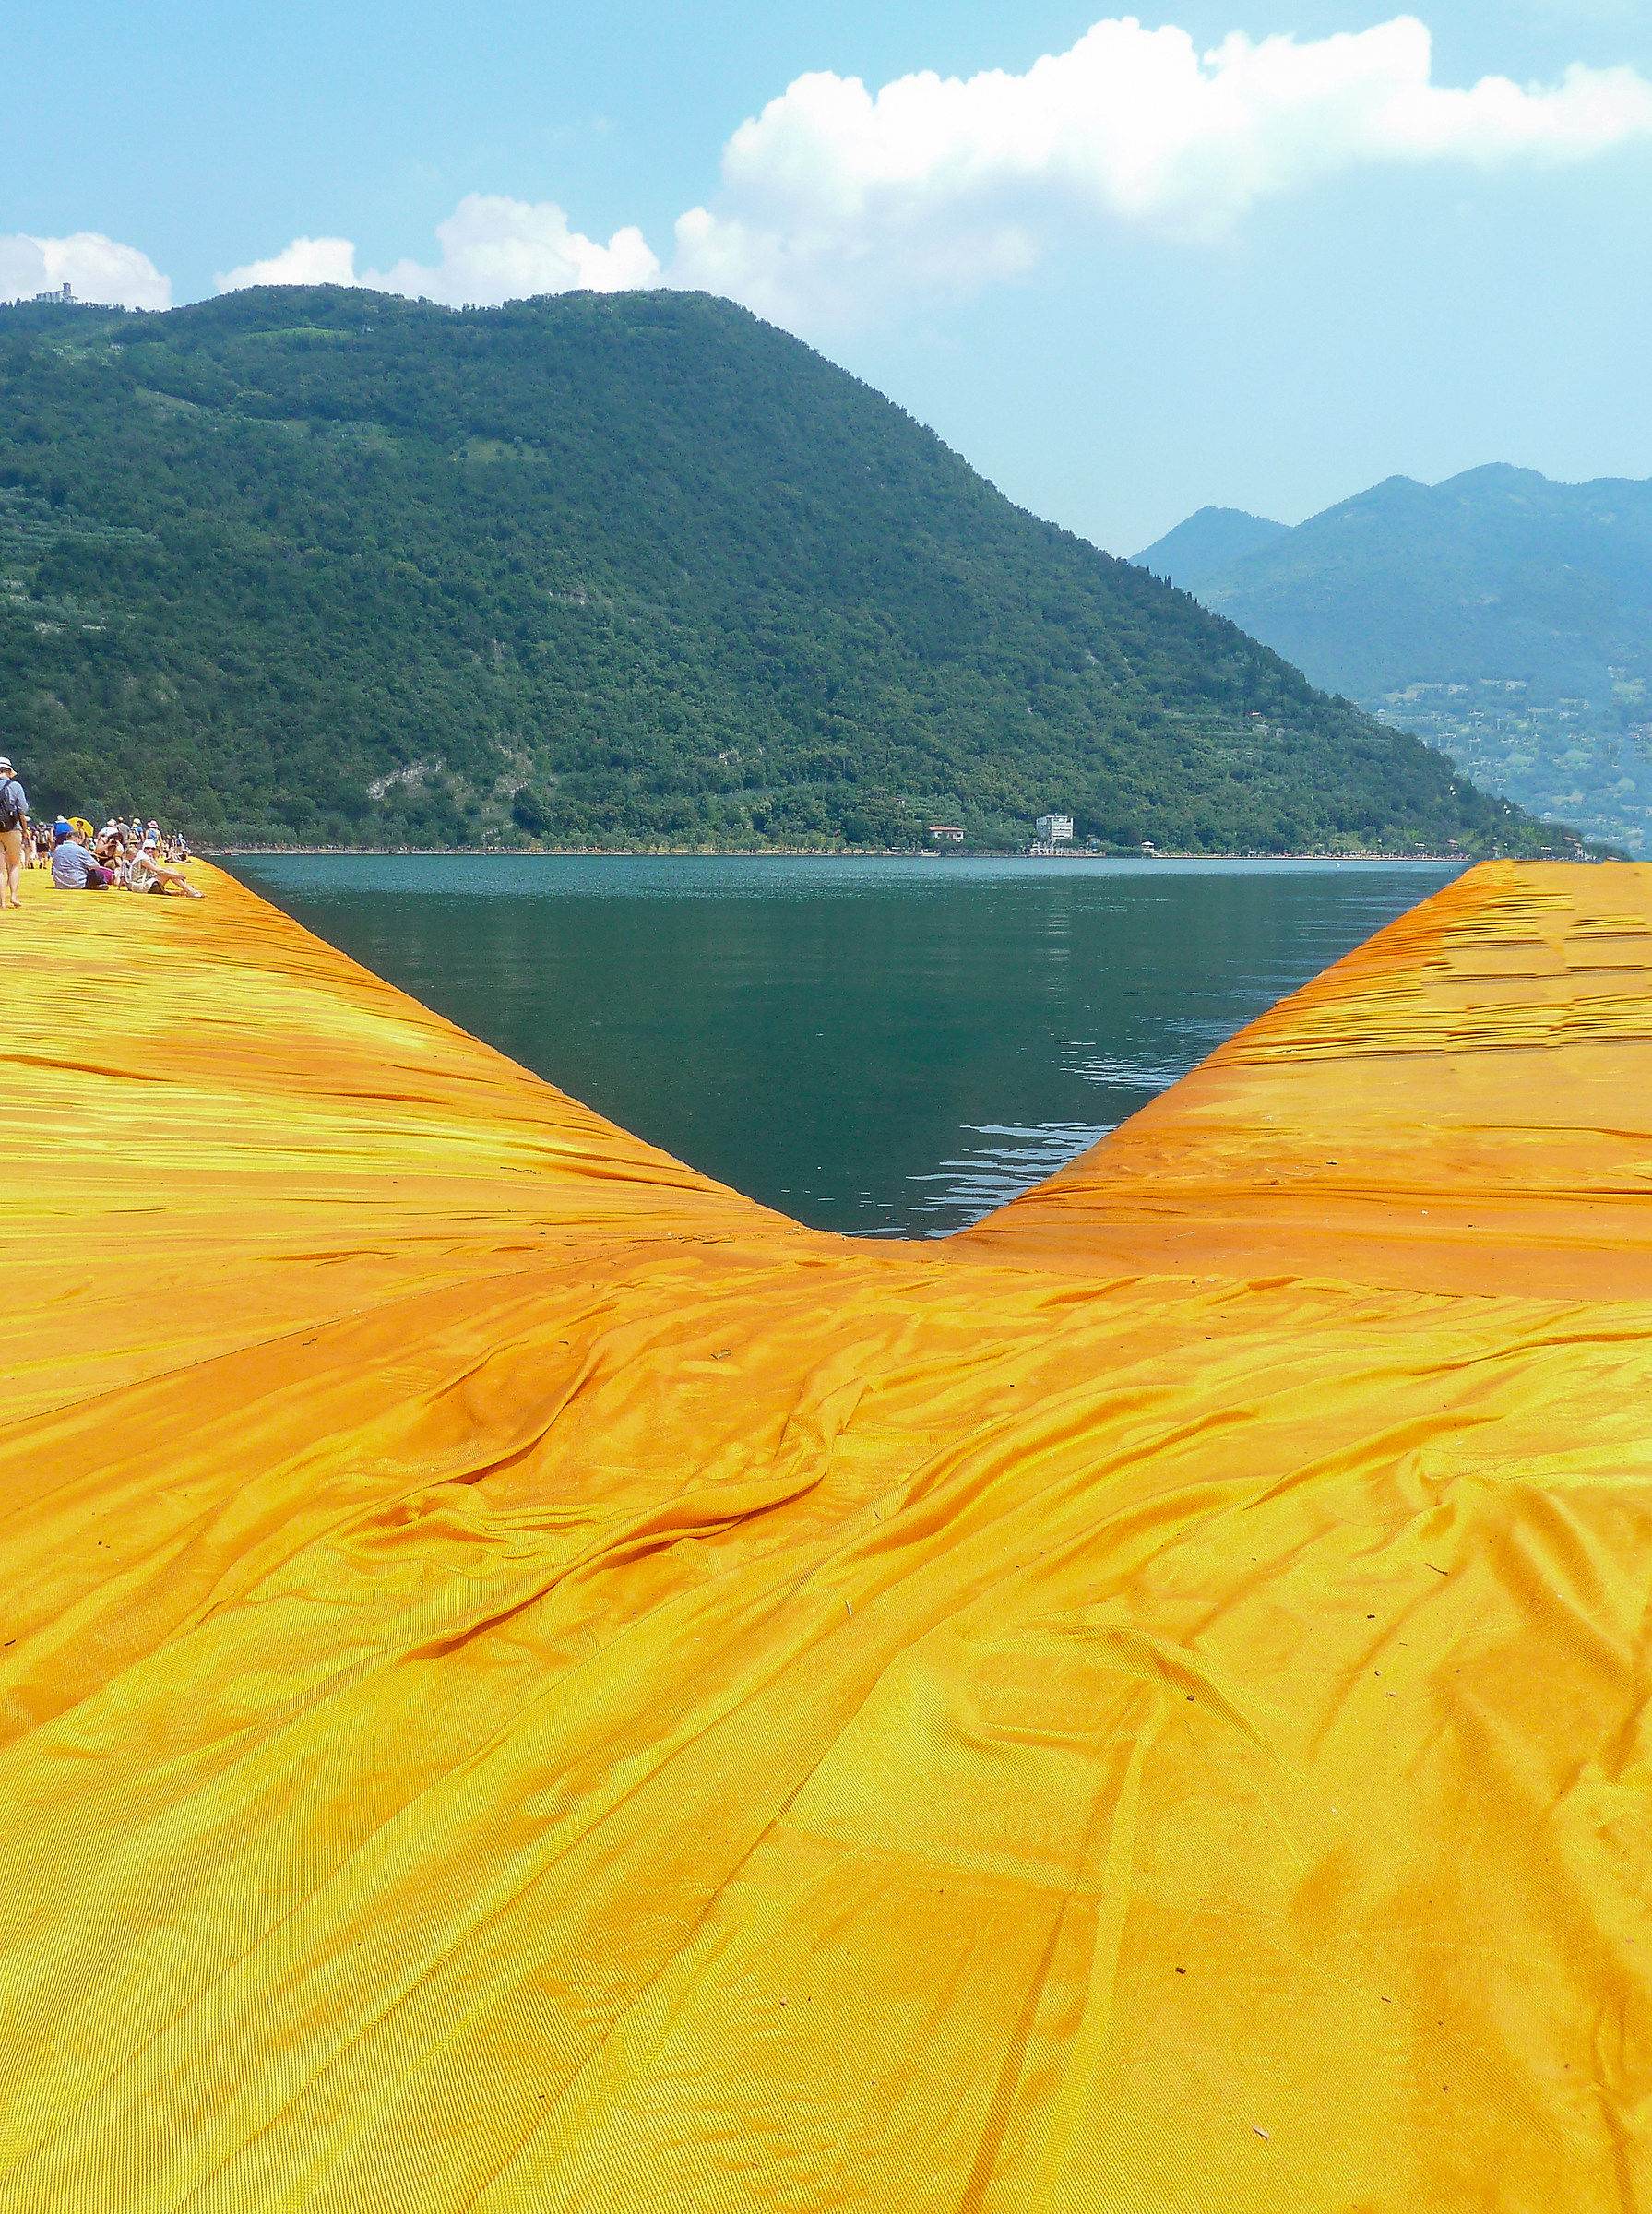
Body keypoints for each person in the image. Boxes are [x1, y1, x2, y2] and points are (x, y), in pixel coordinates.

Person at [127, 832, 202, 898]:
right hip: (139, 886)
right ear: (144, 848)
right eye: (148, 848)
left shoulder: (146, 856)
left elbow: (159, 869)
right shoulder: (143, 859)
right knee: (169, 871)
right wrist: (178, 876)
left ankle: (189, 890)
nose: (150, 850)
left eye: (152, 849)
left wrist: (176, 874)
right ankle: (190, 891)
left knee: (170, 869)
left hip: (145, 884)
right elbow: (159, 871)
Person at [0, 756, 30, 910]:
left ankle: (2, 902)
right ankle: (14, 896)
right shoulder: (15, 786)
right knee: (14, 864)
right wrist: (25, 831)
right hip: (12, 829)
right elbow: (22, 810)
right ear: (8, 771)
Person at [51, 818, 112, 890]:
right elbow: (96, 866)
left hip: (60, 884)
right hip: (77, 884)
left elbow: (53, 867)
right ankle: (95, 885)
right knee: (98, 874)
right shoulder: (81, 850)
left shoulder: (57, 849)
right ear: (77, 839)